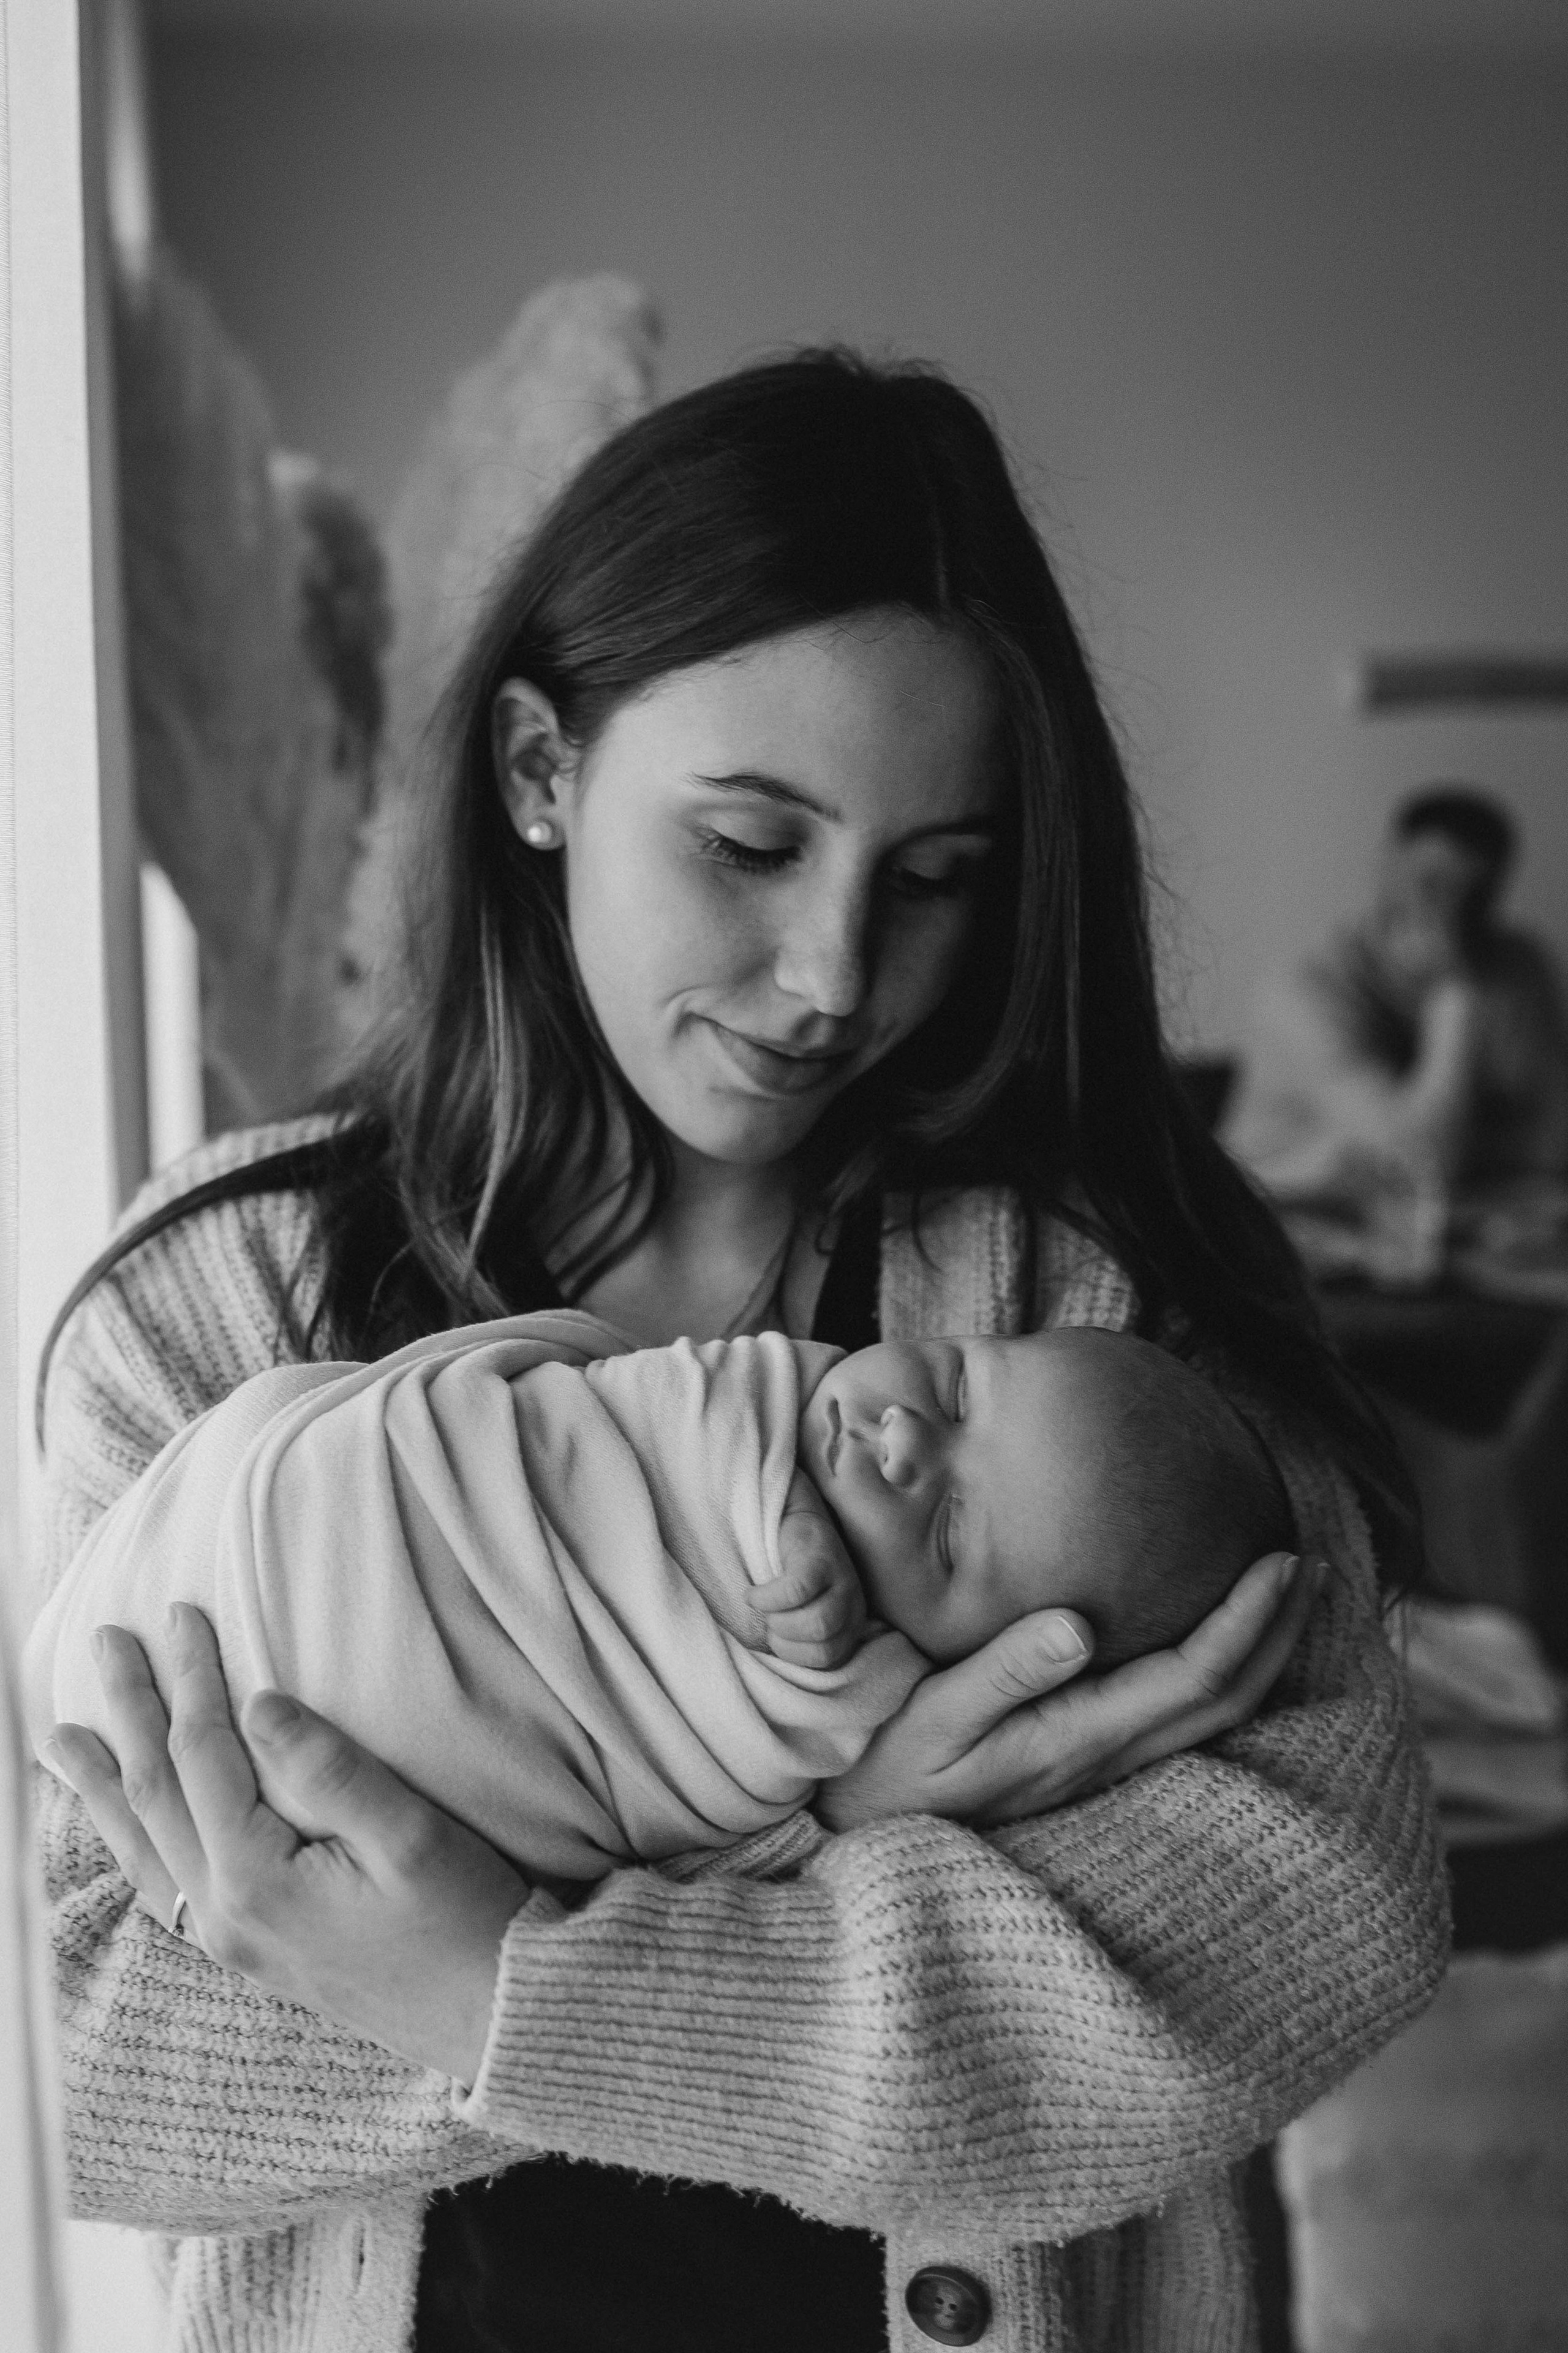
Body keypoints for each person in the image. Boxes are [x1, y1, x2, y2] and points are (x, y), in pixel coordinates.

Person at [35, 351, 1447, 2353]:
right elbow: (79, 2055)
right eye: (752, 846)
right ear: (540, 775)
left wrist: (494, 1980)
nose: (837, 977)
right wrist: (827, 1829)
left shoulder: (1099, 1308)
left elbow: (1303, 1931)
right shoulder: (212, 1307)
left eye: (935, 881)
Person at [28, 1315, 1291, 1882]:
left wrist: (828, 1756)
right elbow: (54, 2070)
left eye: (953, 1530)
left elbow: (714, 1750)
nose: (903, 1437)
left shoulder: (1154, 1290)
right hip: (268, 1544)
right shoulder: (190, 1285)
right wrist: (740, 1476)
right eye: (955, 1383)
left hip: (396, 1728)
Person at [1224, 787, 1568, 1222]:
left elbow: (1551, 1144)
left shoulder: (1516, 966)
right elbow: (1421, 1169)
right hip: (1284, 1233)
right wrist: (1454, 998)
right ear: (1388, 862)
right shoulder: (1300, 992)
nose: (1448, 915)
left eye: (1475, 896)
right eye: (1432, 883)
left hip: (1441, 1233)